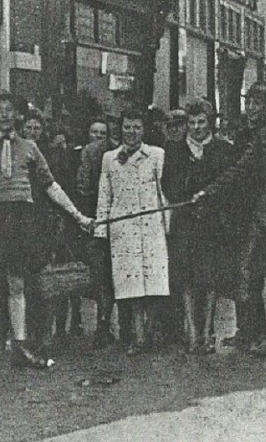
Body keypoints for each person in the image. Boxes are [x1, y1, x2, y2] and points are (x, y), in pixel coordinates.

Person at [0, 92, 94, 369]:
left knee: (17, 283)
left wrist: (77, 215)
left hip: (20, 219)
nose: (5, 115)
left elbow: (50, 185)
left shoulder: (29, 147)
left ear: (17, 116)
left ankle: (21, 346)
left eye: (10, 110)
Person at [192, 82, 266, 356]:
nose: (251, 109)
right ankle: (248, 332)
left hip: (264, 215)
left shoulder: (264, 136)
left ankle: (259, 335)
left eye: (258, 104)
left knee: (249, 272)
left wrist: (209, 192)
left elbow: (242, 169)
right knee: (246, 273)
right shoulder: (249, 133)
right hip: (249, 214)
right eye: (249, 102)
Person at [95, 106, 169, 355]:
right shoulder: (110, 158)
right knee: (131, 287)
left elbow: (164, 194)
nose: (132, 132)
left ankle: (149, 332)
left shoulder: (157, 155)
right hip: (122, 229)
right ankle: (137, 337)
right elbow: (104, 196)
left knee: (155, 283)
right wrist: (101, 230)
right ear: (120, 128)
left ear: (144, 129)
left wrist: (167, 226)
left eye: (137, 127)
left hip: (151, 228)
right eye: (127, 126)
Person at [162, 98, 234, 354]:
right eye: (191, 123)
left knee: (209, 280)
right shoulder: (174, 150)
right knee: (186, 280)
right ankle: (194, 336)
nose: (196, 127)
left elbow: (229, 185)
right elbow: (167, 183)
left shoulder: (224, 149)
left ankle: (208, 333)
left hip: (213, 225)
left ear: (210, 122)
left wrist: (209, 198)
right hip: (184, 223)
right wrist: (185, 196)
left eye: (201, 122)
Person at [76, 118, 121, 348]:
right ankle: (111, 326)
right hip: (104, 220)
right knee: (108, 275)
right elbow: (83, 185)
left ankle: (105, 325)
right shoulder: (95, 152)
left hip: (100, 220)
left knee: (103, 276)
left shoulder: (94, 151)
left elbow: (82, 186)